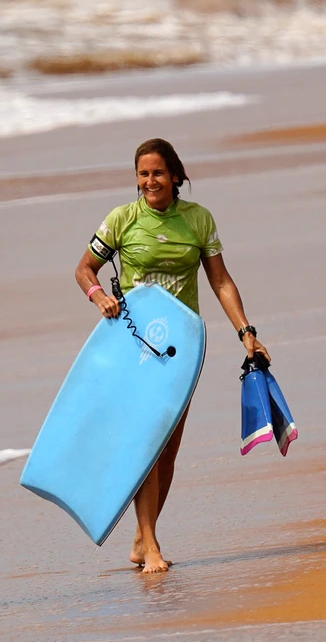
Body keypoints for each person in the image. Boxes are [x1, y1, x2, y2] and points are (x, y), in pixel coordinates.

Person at [74, 138, 270, 574]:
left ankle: (141, 538)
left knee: (169, 450)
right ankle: (151, 545)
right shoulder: (122, 219)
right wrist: (98, 296)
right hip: (135, 346)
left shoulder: (198, 220)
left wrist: (246, 332)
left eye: (158, 173)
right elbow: (83, 268)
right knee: (148, 440)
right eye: (143, 174)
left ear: (176, 176)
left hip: (182, 347)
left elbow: (220, 280)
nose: (150, 181)